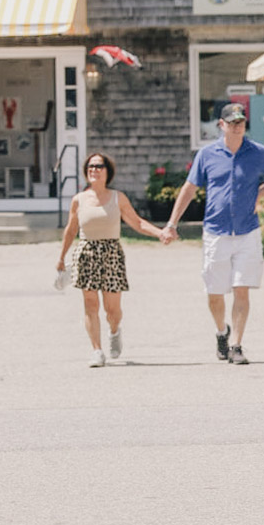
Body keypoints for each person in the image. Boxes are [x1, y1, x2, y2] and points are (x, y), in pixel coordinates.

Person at [161, 103, 264, 365]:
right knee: (215, 292)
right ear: (221, 125)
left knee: (242, 289)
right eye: (231, 122)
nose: (236, 126)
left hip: (247, 231)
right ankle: (222, 331)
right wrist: (172, 222)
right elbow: (189, 188)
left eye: (240, 122)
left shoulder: (257, 152)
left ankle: (238, 345)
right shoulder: (207, 155)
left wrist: (260, 193)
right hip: (216, 231)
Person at [56, 151, 166, 368]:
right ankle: (97, 350)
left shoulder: (118, 197)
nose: (94, 170)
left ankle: (114, 330)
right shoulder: (79, 200)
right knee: (90, 304)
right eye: (90, 167)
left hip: (112, 253)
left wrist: (160, 233)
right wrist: (61, 257)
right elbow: (71, 230)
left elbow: (137, 222)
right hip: (86, 253)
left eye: (99, 166)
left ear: (108, 171)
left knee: (112, 309)